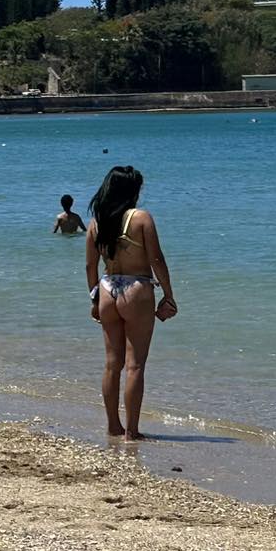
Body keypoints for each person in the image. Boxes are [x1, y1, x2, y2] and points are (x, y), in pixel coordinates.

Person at [83, 166, 176, 440]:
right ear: (133, 191)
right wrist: (168, 295)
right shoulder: (141, 218)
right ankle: (132, 431)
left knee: (112, 364)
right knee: (135, 365)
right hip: (136, 288)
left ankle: (113, 425)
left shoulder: (95, 223)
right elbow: (156, 259)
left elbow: (90, 265)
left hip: (107, 287)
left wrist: (93, 297)